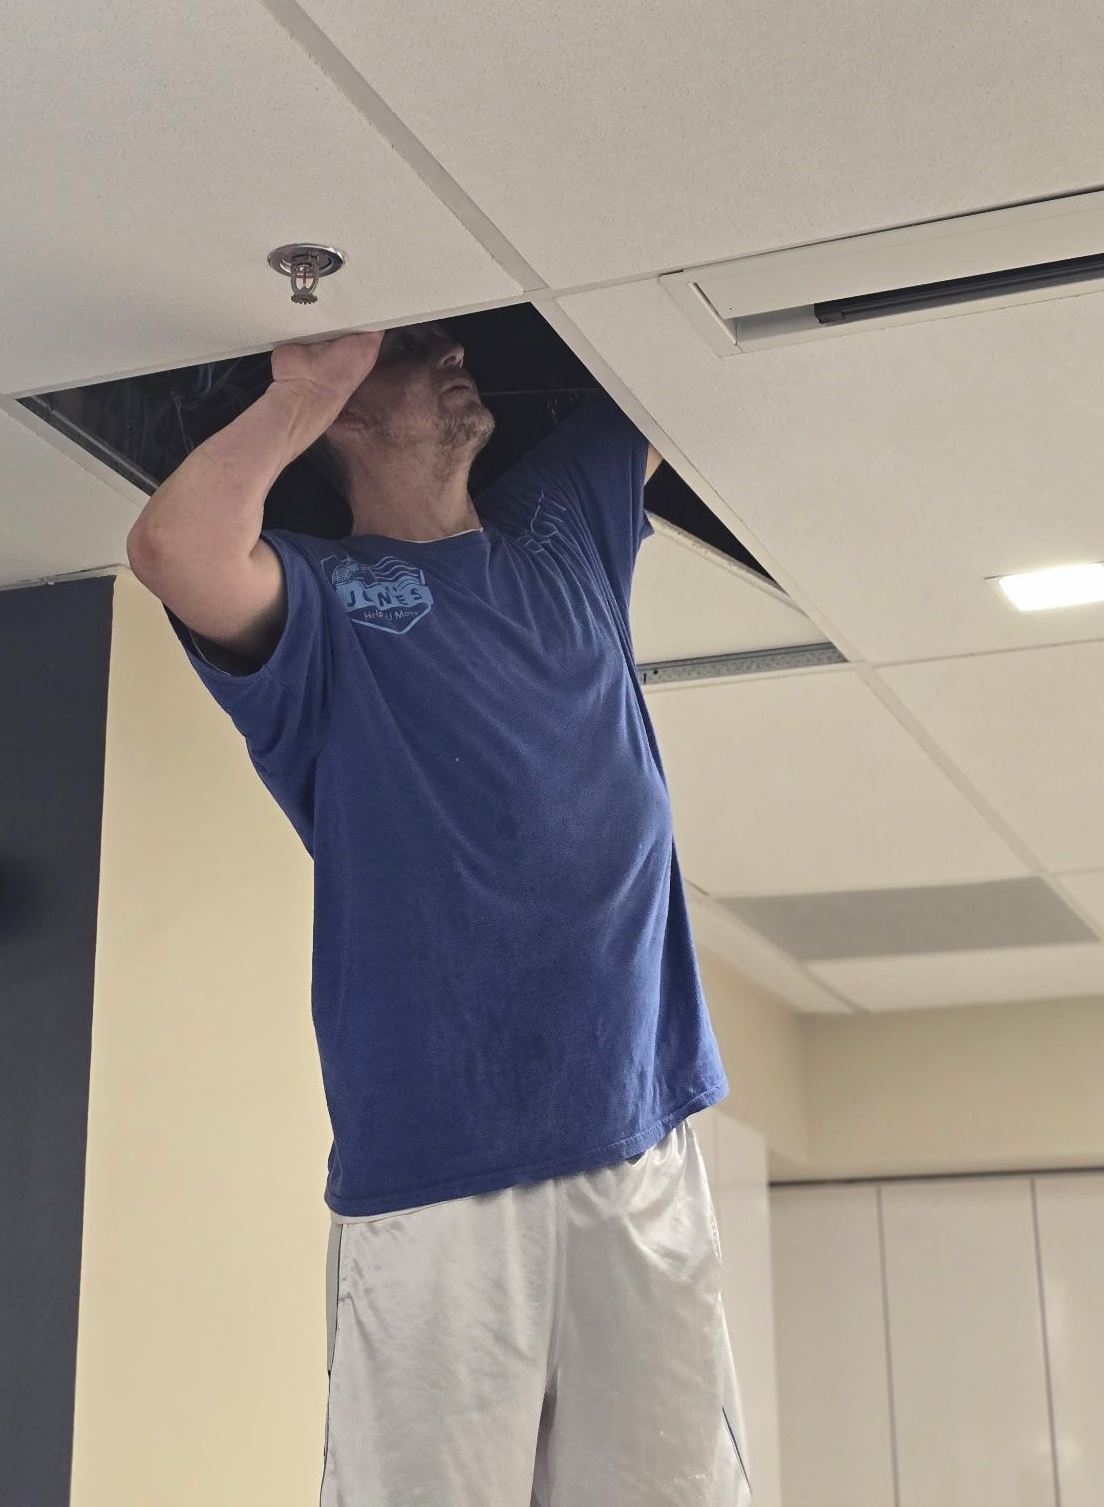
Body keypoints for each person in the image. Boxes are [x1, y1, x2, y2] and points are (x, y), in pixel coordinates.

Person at [125, 322, 751, 1505]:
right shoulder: (319, 601)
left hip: (641, 1132)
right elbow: (176, 544)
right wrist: (304, 386)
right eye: (416, 351)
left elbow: (667, 358)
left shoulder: (564, 522)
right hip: (443, 1167)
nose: (453, 348)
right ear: (345, 414)